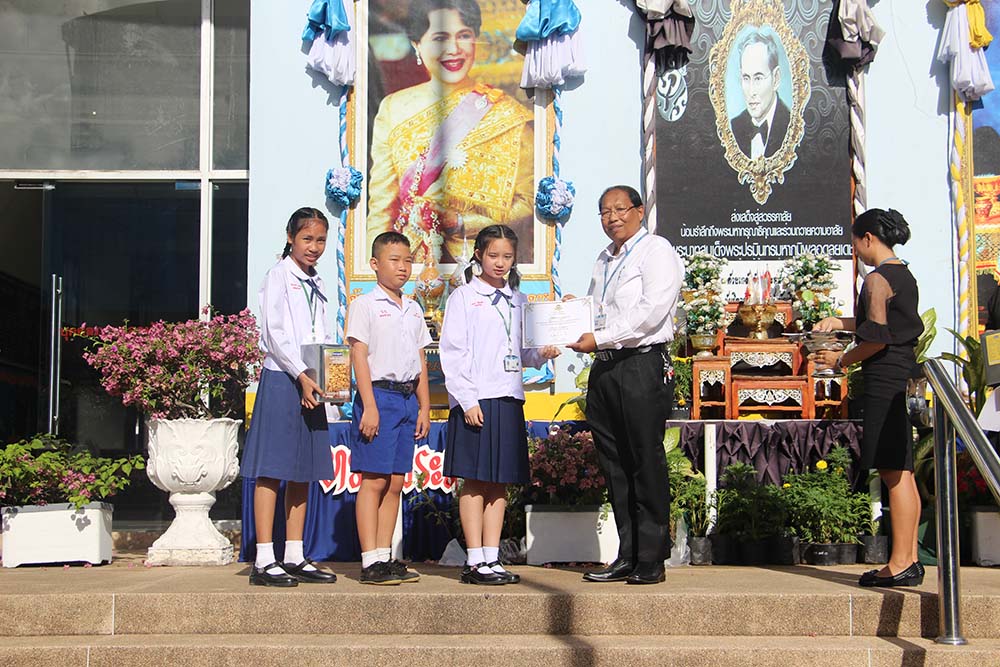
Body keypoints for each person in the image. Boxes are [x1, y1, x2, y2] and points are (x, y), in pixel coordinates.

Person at [567, 185, 684, 585]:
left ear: (639, 210)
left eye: (620, 209)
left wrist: (600, 337)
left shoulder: (656, 251)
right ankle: (627, 554)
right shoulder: (604, 258)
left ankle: (651, 557)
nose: (612, 217)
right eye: (604, 211)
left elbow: (651, 312)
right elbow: (600, 311)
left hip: (641, 364)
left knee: (644, 459)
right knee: (614, 464)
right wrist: (574, 315)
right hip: (605, 367)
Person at [366, 0, 535, 265]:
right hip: (409, 268)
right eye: (440, 38)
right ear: (417, 44)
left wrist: (462, 222)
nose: (454, 49)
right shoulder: (393, 108)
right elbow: (381, 209)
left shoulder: (506, 114)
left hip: (481, 267)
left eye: (464, 36)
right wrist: (371, 271)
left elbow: (529, 203)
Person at [439, 224, 560, 585]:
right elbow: (453, 352)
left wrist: (543, 352)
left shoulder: (518, 300)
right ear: (478, 254)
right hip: (477, 399)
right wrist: (466, 400)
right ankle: (474, 559)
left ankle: (492, 558)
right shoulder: (464, 297)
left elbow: (523, 353)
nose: (500, 263)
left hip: (509, 398)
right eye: (493, 255)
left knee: (500, 483)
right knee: (476, 481)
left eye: (507, 256)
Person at [812, 208, 924, 588]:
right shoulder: (903, 274)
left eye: (855, 243)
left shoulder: (876, 279)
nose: (856, 251)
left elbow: (876, 338)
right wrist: (840, 322)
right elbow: (884, 324)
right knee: (902, 471)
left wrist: (839, 360)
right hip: (902, 371)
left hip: (885, 377)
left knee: (893, 471)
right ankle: (908, 558)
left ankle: (899, 562)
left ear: (868, 239)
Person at [241, 207, 339, 587]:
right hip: (284, 379)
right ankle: (265, 558)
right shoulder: (278, 276)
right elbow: (273, 333)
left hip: (312, 381)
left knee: (304, 469)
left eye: (320, 240)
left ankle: (294, 554)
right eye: (307, 239)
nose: (314, 247)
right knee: (272, 469)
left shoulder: (319, 282)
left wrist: (327, 378)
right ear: (290, 237)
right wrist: (300, 374)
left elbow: (322, 334)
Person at [347, 231, 432, 585]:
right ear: (375, 264)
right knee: (374, 479)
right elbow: (359, 355)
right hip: (378, 396)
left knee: (396, 482)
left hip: (407, 399)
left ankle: (385, 556)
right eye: (394, 260)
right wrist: (369, 405)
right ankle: (369, 560)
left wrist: (424, 406)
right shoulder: (365, 305)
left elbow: (420, 358)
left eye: (408, 261)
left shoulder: (413, 308)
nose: (402, 268)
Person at [730, 29, 790, 160]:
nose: (751, 91)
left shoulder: (791, 126)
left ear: (776, 78)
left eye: (758, 78)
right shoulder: (734, 127)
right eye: (746, 78)